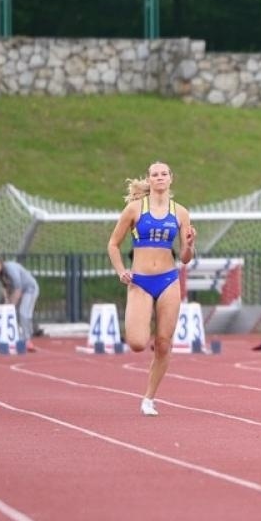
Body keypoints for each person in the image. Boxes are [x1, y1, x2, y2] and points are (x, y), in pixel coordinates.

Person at [107, 161, 196, 416]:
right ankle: (143, 330)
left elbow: (186, 257)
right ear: (149, 179)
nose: (159, 178)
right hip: (141, 281)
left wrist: (190, 244)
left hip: (168, 279)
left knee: (164, 344)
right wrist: (121, 270)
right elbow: (113, 244)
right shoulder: (135, 209)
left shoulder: (180, 213)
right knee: (136, 342)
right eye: (155, 174)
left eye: (164, 174)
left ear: (171, 179)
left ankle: (149, 398)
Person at [0, 255, 41, 342]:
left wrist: (11, 305)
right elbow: (5, 287)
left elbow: (18, 289)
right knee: (14, 309)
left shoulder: (10, 269)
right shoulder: (0, 272)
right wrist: (6, 299)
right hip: (18, 289)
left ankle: (26, 336)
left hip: (30, 289)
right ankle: (29, 331)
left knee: (23, 312)